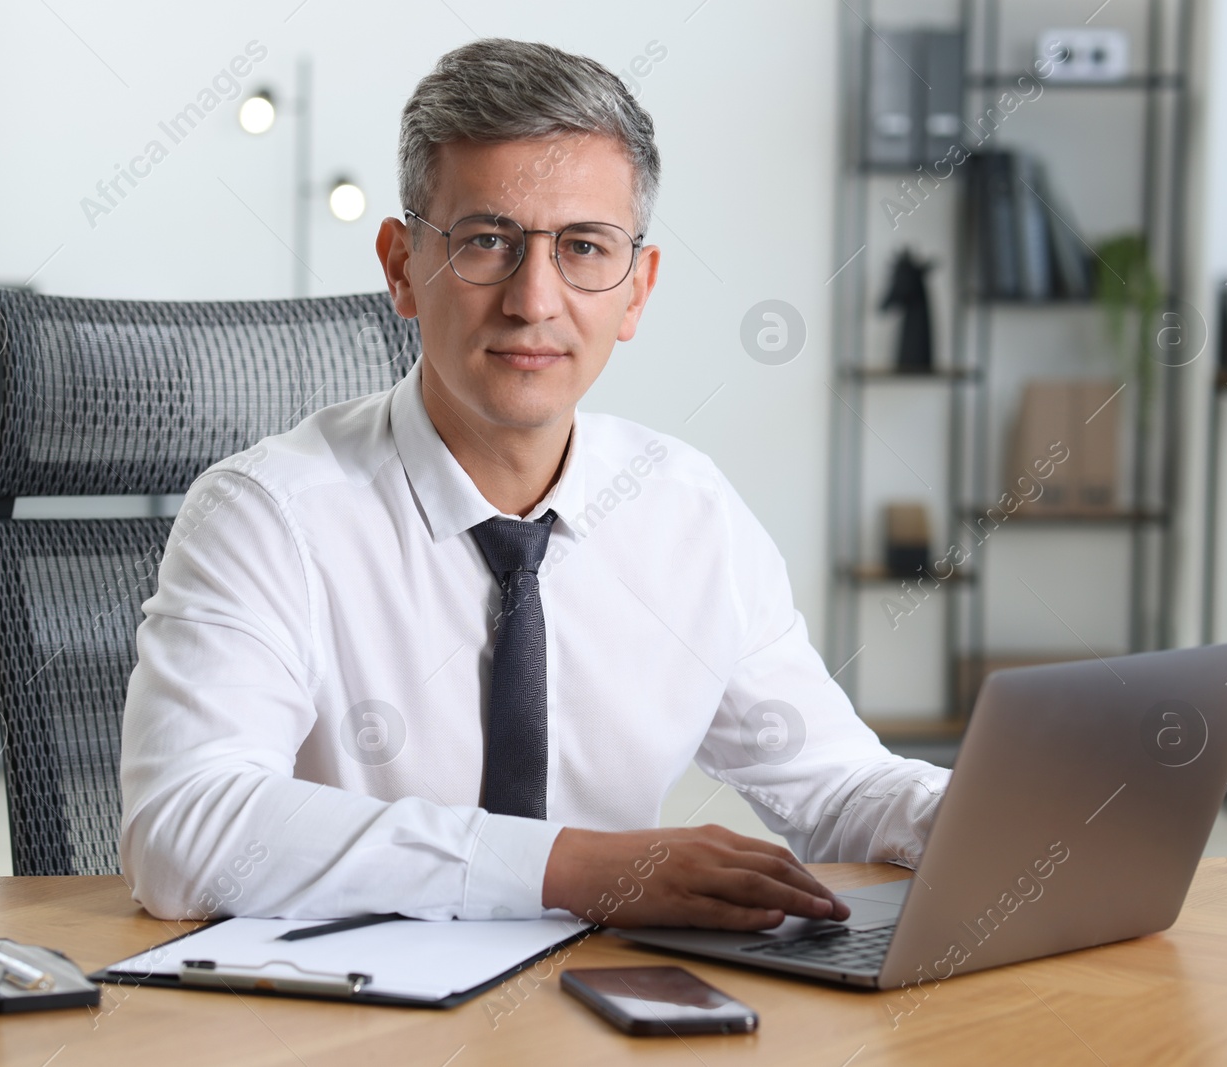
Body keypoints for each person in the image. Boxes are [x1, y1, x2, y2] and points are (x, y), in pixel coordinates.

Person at [119, 37, 950, 931]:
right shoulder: (265, 514)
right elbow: (183, 829)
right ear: (401, 267)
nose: (534, 299)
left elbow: (837, 784)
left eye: (585, 247)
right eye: (487, 242)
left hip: (614, 1009)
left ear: (637, 290)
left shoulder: (688, 512)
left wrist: (1003, 813)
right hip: (348, 1012)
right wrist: (570, 866)